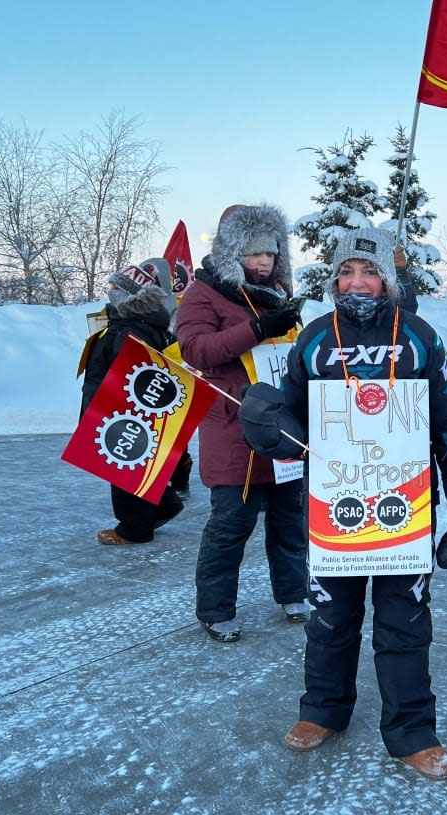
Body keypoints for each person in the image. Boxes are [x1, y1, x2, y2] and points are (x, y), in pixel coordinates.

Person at [238, 227, 447, 779]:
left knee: (404, 621)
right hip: (335, 507)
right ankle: (323, 710)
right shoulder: (314, 338)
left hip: (405, 506)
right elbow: (296, 424)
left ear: (388, 278)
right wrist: (266, 424)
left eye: (370, 271)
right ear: (334, 278)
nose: (359, 281)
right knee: (330, 616)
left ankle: (411, 732)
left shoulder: (421, 335)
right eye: (348, 272)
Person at [177, 204, 308, 642]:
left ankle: (293, 593)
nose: (264, 262)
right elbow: (195, 350)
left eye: (270, 253)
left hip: (282, 427)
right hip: (234, 429)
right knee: (230, 526)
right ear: (233, 253)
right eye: (254, 254)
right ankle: (215, 609)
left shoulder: (279, 293)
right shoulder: (204, 293)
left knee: (290, 522)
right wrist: (256, 329)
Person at [81, 264, 185, 545]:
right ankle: (165, 505)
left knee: (121, 468)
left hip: (117, 411)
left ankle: (134, 528)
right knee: (132, 464)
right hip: (120, 411)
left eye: (115, 288)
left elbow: (131, 373)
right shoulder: (137, 326)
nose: (109, 292)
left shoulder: (129, 331)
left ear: (128, 297)